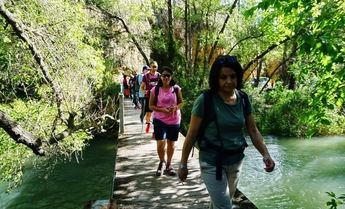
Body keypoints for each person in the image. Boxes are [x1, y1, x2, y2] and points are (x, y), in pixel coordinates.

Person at [178, 55, 275, 209]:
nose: (228, 81)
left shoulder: (243, 99)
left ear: (238, 77)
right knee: (224, 207)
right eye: (223, 77)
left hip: (236, 162)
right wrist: (183, 164)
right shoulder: (205, 101)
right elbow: (191, 135)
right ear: (216, 78)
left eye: (232, 76)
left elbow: (253, 131)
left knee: (221, 203)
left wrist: (266, 154)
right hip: (211, 162)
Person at [149, 66, 183, 176]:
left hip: (174, 120)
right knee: (160, 144)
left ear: (171, 77)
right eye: (164, 75)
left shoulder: (176, 89)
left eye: (168, 76)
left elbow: (181, 103)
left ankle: (168, 164)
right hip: (159, 119)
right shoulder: (155, 90)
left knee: (171, 144)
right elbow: (151, 106)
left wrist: (175, 108)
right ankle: (161, 162)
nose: (166, 77)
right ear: (160, 77)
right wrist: (162, 109)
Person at [140, 61, 160, 133]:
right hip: (149, 97)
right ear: (150, 67)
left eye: (155, 66)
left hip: (158, 97)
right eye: (153, 66)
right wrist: (144, 91)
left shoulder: (159, 76)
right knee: (148, 113)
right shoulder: (146, 76)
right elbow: (142, 87)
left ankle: (156, 128)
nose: (154, 68)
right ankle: (148, 124)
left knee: (157, 113)